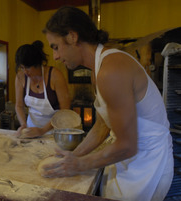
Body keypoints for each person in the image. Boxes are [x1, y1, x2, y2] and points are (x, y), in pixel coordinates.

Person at [41, 6, 174, 201]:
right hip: (127, 159)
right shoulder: (98, 70)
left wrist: (80, 164)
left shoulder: (111, 70)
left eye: (55, 47)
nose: (56, 57)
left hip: (148, 166)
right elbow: (103, 125)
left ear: (72, 37)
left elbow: (128, 145)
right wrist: (74, 157)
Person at [15, 40, 70, 138]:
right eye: (22, 67)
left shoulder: (54, 75)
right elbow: (19, 105)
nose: (25, 71)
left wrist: (42, 130)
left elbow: (65, 109)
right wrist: (23, 125)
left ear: (37, 63)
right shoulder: (21, 77)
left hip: (55, 131)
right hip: (31, 130)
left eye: (28, 67)